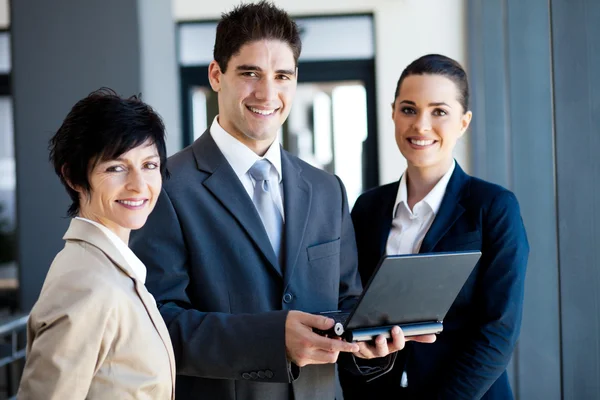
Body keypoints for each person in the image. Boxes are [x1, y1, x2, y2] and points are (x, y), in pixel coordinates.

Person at [130, 2, 434, 399]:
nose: (267, 93)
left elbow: (346, 302)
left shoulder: (327, 189)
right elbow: (158, 324)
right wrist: (273, 340)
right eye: (250, 73)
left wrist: (370, 341)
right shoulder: (166, 187)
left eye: (282, 76)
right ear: (216, 75)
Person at [338, 53, 530, 399]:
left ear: (464, 122)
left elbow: (498, 330)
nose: (421, 126)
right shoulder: (367, 209)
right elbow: (352, 309)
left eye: (439, 111)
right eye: (409, 109)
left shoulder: (493, 207)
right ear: (393, 112)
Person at [17, 88, 175, 399]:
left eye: (149, 165)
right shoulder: (87, 284)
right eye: (116, 167)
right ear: (74, 178)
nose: (139, 185)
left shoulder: (112, 268)